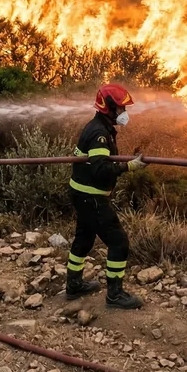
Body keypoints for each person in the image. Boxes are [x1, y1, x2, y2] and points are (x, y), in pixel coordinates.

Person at [65, 84, 148, 309]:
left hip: (82, 194)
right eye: (120, 109)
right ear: (108, 108)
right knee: (119, 242)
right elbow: (100, 169)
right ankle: (115, 295)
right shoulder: (99, 134)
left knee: (84, 239)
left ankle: (73, 285)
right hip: (91, 197)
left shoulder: (100, 127)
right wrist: (129, 167)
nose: (124, 113)